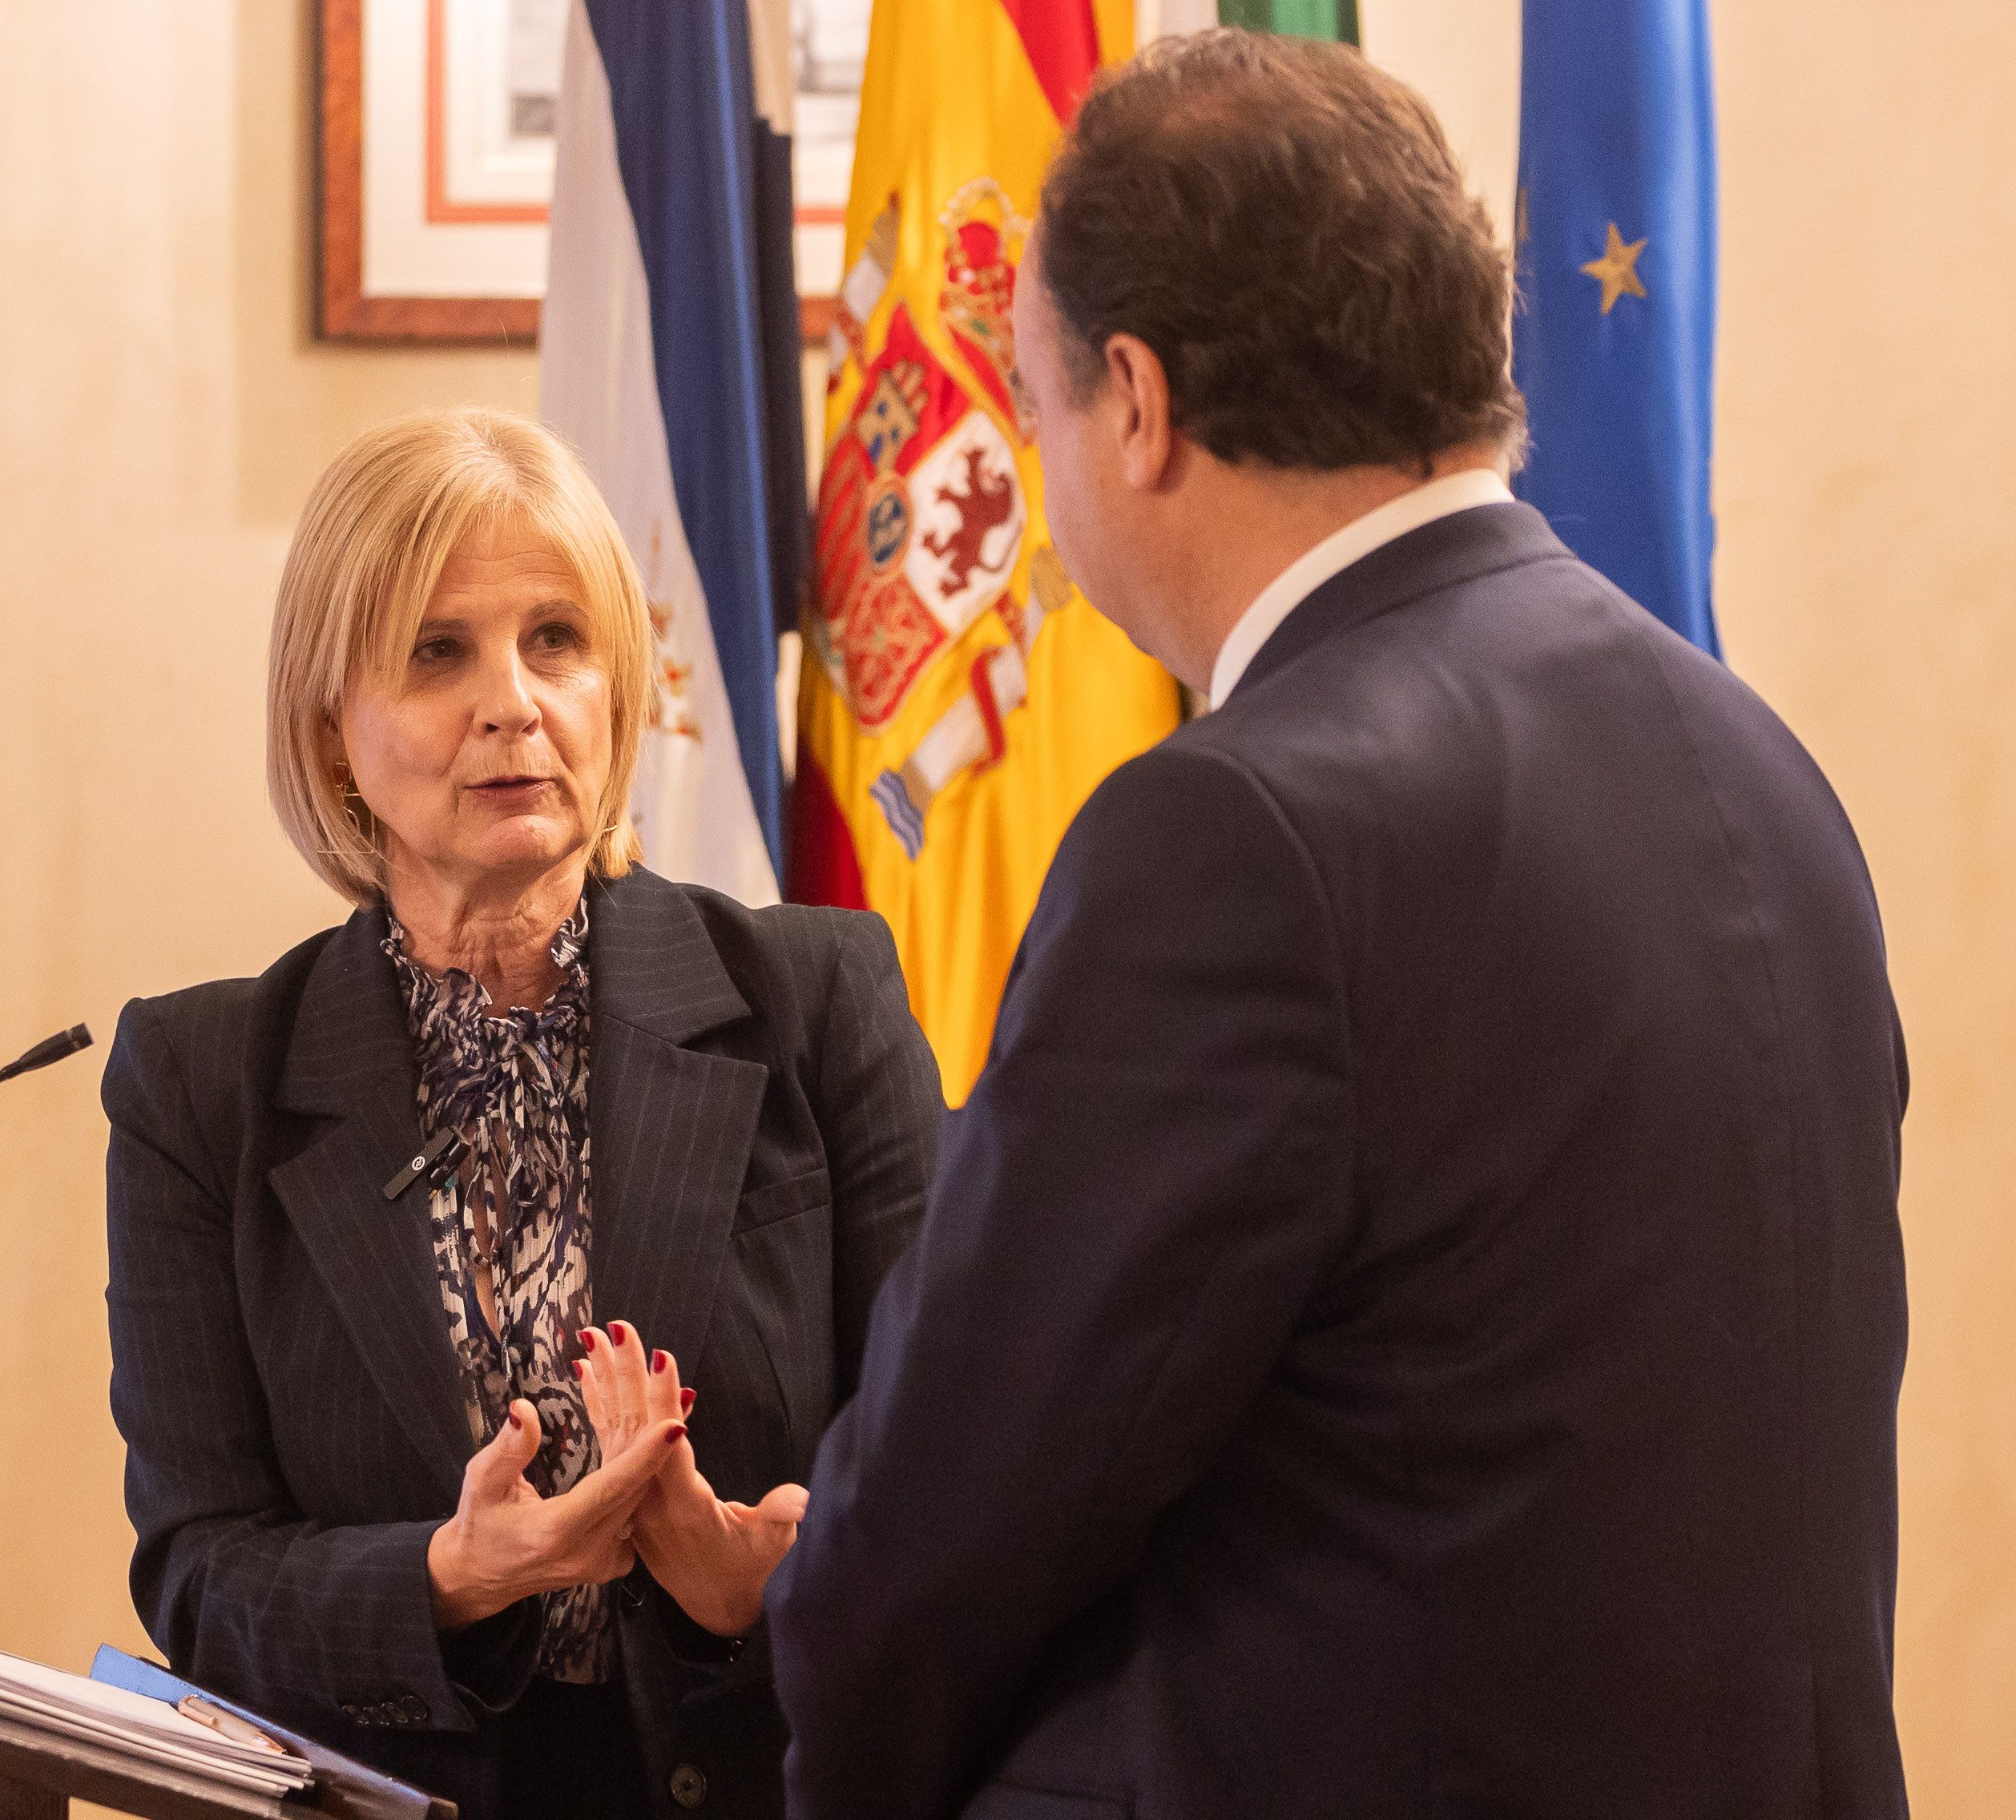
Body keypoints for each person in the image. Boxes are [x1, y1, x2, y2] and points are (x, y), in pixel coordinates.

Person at [768, 31, 1909, 1820]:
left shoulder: (1234, 830)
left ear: (1132, 402)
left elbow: (941, 1531)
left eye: (1039, 397)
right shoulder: (1753, 756)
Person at [103, 408, 941, 1820]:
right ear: (330, 727)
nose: (515, 702)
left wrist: (761, 1592)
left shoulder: (816, 996)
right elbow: (200, 1572)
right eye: (440, 652)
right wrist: (453, 1577)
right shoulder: (200, 1085)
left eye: (557, 640)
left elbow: (957, 1464)